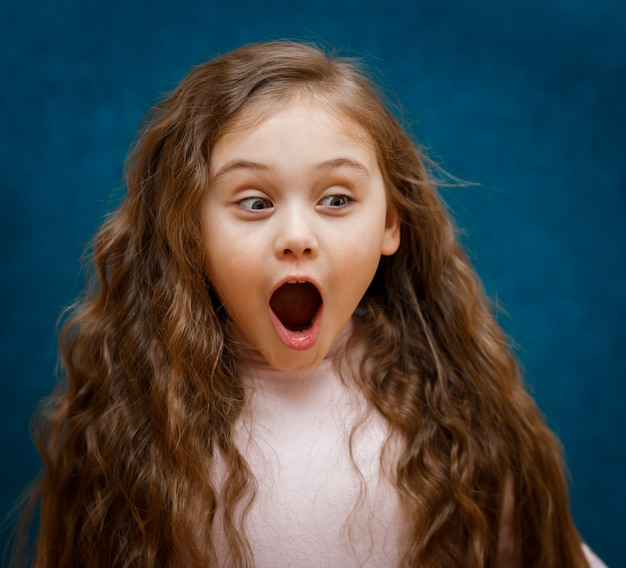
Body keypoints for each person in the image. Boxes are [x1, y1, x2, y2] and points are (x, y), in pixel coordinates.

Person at [11, 41, 606, 567]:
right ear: (190, 229)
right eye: (255, 202)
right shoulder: (135, 424)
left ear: (390, 223)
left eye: (337, 199)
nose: (297, 234)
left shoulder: (454, 414)